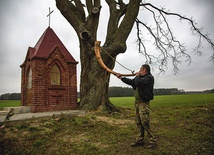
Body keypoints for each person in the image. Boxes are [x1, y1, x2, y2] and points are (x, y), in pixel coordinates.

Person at [116, 64, 157, 148]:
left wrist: (137, 76)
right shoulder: (140, 78)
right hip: (137, 103)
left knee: (145, 122)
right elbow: (132, 82)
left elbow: (137, 82)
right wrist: (121, 78)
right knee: (138, 122)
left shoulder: (149, 78)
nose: (139, 70)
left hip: (143, 103)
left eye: (140, 69)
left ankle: (152, 140)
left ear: (145, 70)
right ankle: (140, 140)